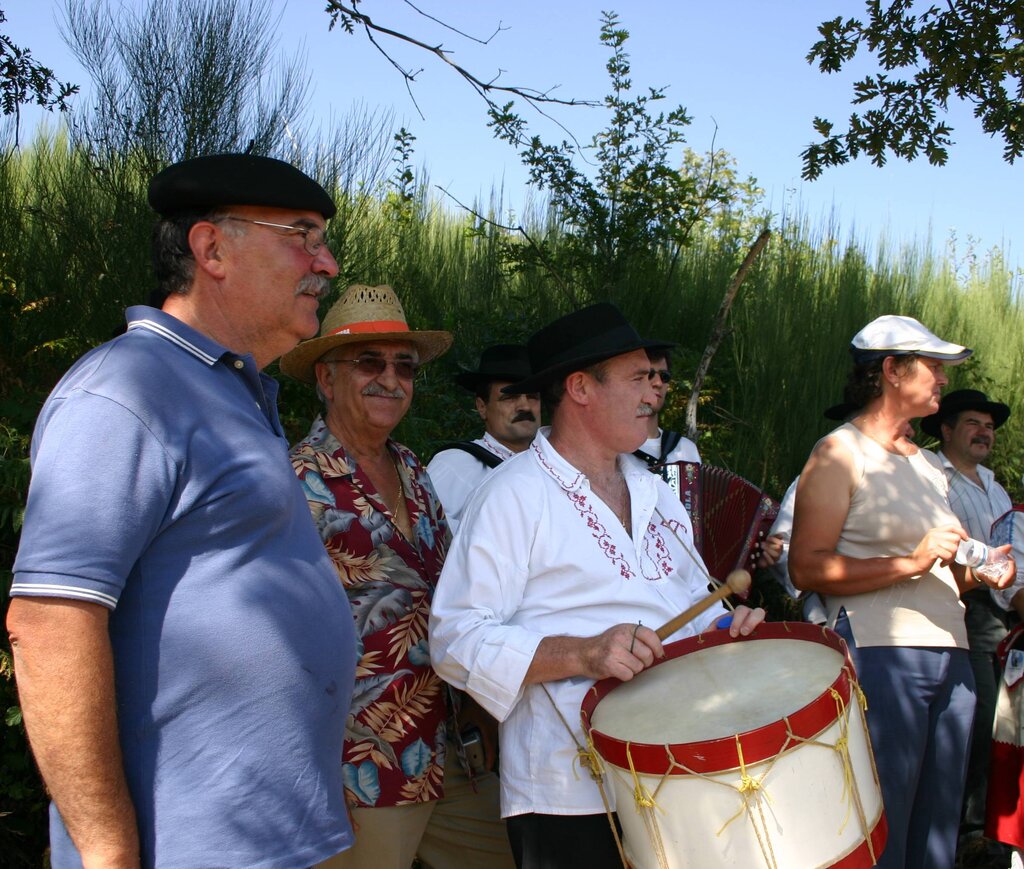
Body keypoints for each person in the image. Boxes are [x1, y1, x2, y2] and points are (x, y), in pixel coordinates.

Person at [6, 153, 356, 868]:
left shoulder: (234, 390)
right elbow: (48, 624)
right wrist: (107, 851)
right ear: (212, 248)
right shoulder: (128, 390)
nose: (327, 262)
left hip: (268, 837)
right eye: (303, 234)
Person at [429, 302, 765, 869]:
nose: (654, 393)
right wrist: (583, 652)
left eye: (656, 379)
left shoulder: (656, 492)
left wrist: (726, 626)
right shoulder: (515, 493)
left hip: (673, 767)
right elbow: (456, 639)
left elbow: (689, 604)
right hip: (567, 784)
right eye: (639, 378)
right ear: (581, 388)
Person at [280, 284, 513, 869]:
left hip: (453, 744)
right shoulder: (293, 482)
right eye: (369, 361)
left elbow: (452, 597)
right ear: (326, 378)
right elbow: (273, 637)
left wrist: (482, 709)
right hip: (360, 759)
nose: (391, 378)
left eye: (404, 366)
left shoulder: (412, 467)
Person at [789, 314, 1016, 869]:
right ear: (891, 371)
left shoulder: (928, 464)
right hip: (882, 654)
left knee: (938, 826)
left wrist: (979, 572)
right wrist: (913, 560)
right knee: (883, 822)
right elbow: (806, 567)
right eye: (933, 367)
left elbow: (939, 570)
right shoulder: (838, 452)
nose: (942, 379)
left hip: (954, 652)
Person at [920, 388, 1014, 854]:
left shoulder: (995, 488)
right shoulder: (932, 477)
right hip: (959, 609)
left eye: (990, 426)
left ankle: (989, 833)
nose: (984, 432)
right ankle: (961, 834)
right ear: (947, 430)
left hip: (1004, 616)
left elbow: (1013, 559)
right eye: (974, 423)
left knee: (1004, 725)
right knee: (973, 724)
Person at [427, 343, 540, 534]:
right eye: (510, 397)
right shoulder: (454, 464)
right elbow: (427, 534)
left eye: (532, 396)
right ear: (482, 407)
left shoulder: (557, 467)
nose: (525, 406)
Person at [633, 348, 699, 497]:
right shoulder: (612, 450)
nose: (657, 382)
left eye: (664, 376)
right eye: (648, 374)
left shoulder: (686, 450)